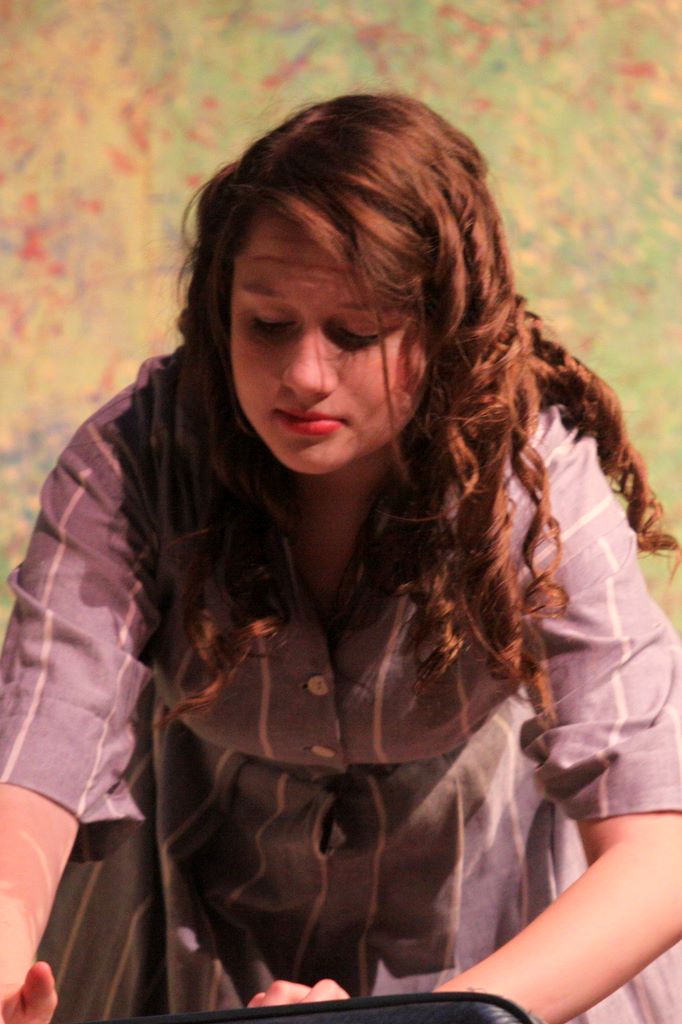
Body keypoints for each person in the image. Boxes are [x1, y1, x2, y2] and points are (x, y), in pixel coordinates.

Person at [0, 92, 681, 1024]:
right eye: (267, 324)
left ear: (442, 327)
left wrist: (432, 1022)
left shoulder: (530, 481)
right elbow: (38, 748)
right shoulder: (135, 463)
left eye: (356, 334)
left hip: (492, 942)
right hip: (196, 922)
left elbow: (659, 845)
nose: (304, 375)